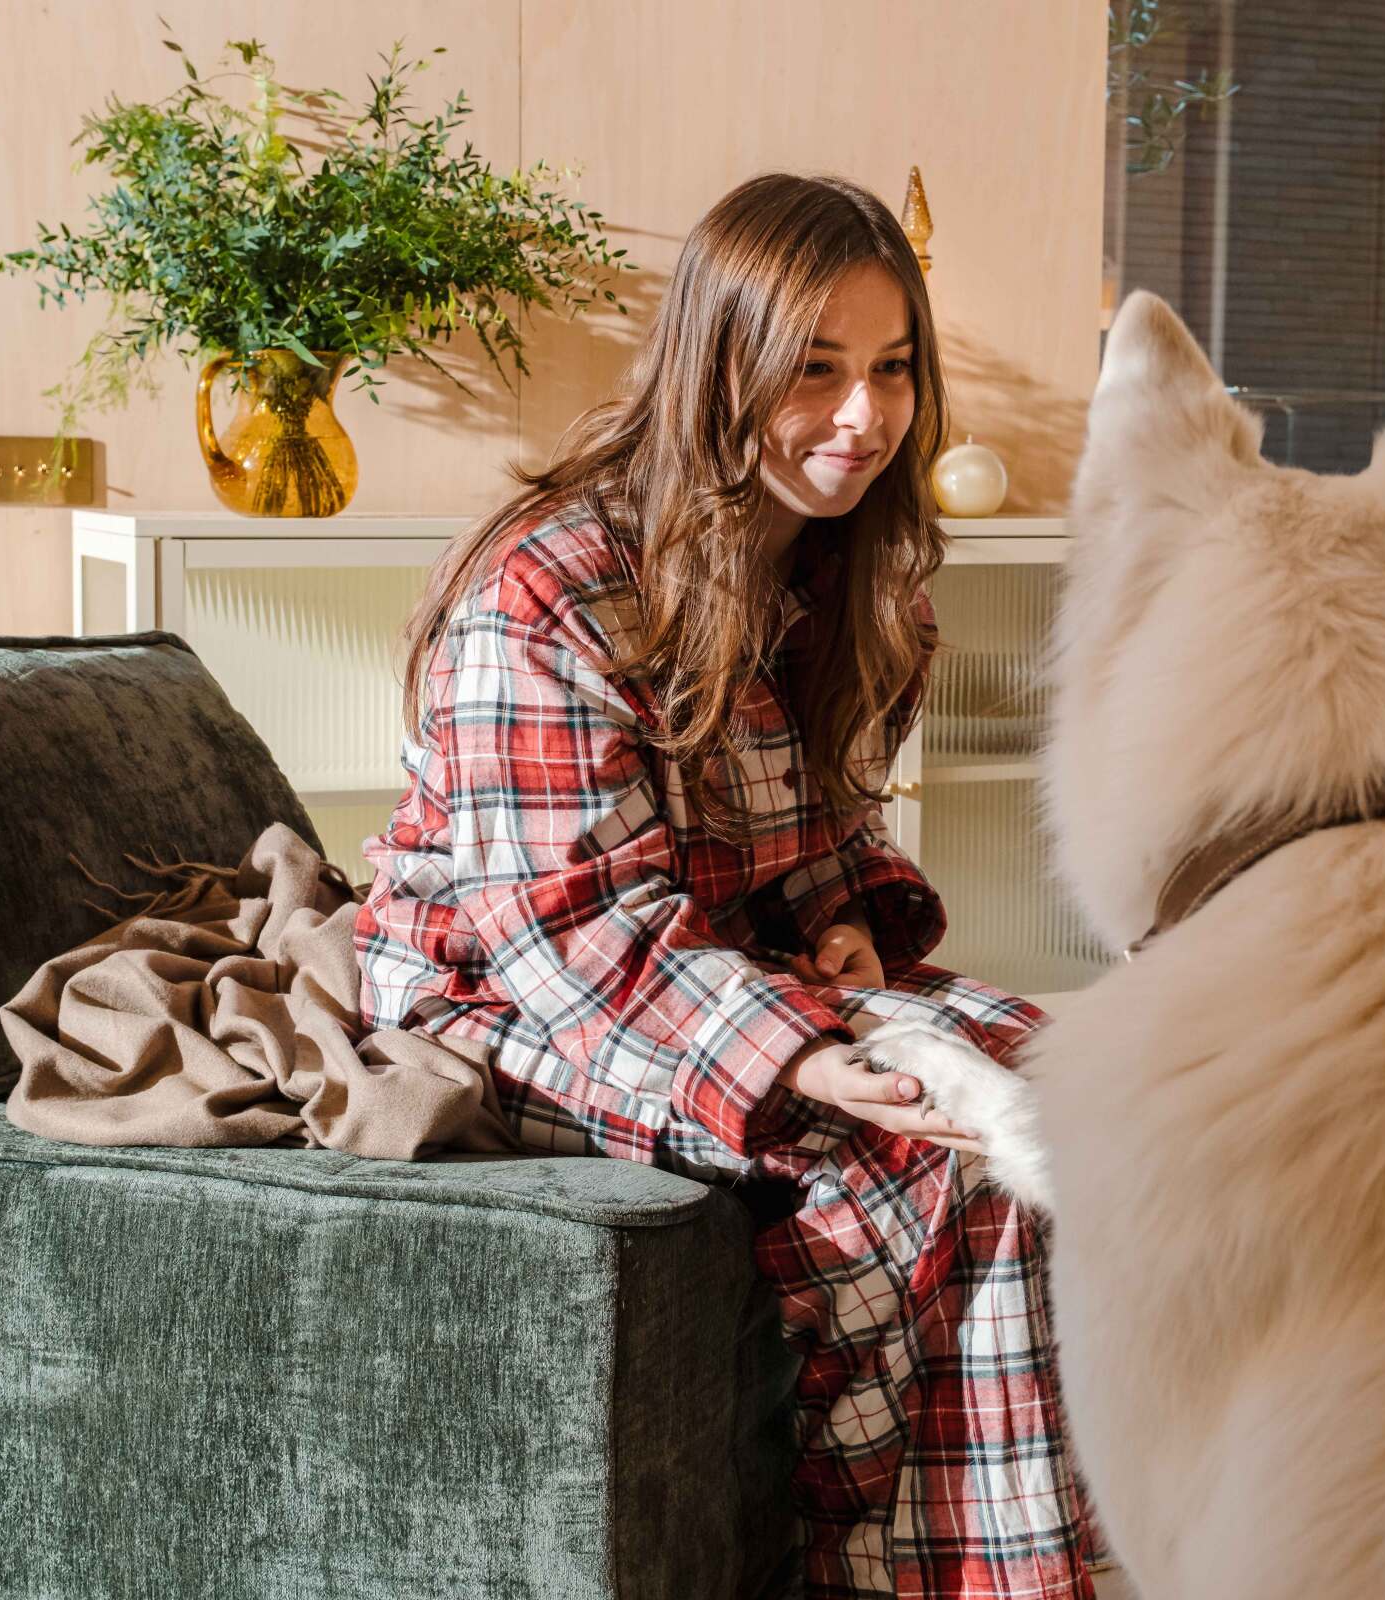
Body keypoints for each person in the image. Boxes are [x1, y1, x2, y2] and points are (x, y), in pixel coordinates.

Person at [355, 171, 1104, 1600]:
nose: (861, 416)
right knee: (947, 1170)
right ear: (722, 360)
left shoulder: (854, 575)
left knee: (1071, 1085)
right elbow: (569, 938)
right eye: (814, 369)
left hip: (729, 970)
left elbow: (829, 825)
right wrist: (813, 1060)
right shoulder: (551, 586)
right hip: (502, 1001)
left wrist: (838, 925)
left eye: (891, 370)